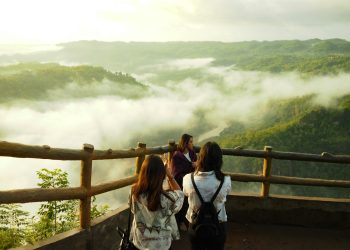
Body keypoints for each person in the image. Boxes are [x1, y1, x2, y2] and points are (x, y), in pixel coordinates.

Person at [183, 142, 231, 250]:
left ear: (200, 158)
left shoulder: (188, 179)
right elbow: (226, 194)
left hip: (195, 225)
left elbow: (186, 193)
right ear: (219, 160)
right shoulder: (226, 180)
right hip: (218, 226)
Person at [130, 154, 184, 250]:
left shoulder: (135, 192)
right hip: (161, 245)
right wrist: (170, 177)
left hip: (140, 243)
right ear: (162, 175)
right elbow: (180, 193)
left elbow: (133, 210)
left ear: (143, 173)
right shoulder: (167, 199)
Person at [170, 133, 197, 229]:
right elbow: (175, 173)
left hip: (192, 182)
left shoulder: (192, 154)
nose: (192, 144)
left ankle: (188, 219)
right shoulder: (177, 156)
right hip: (180, 184)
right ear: (185, 143)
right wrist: (191, 165)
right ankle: (180, 221)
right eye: (190, 142)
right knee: (182, 202)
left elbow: (196, 166)